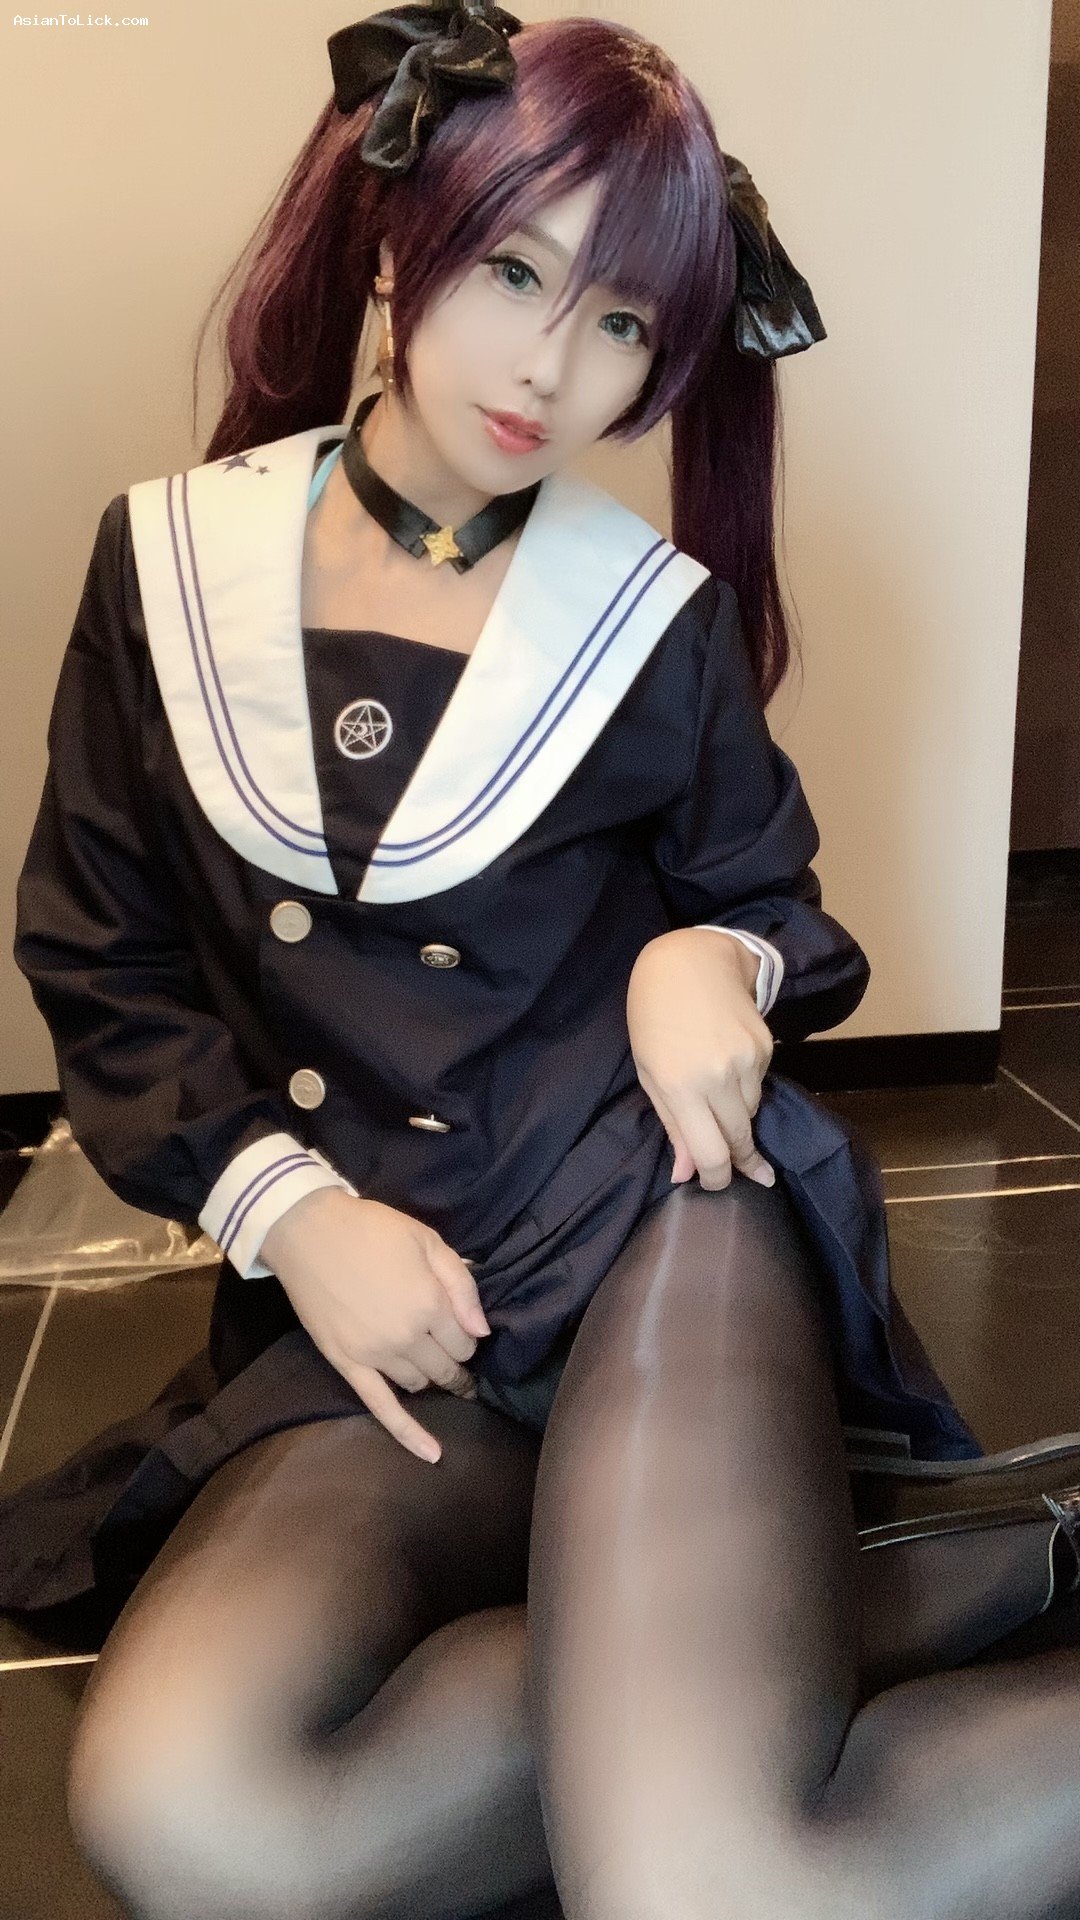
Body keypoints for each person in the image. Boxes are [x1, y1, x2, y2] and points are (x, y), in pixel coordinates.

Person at [4, 5, 1080, 1916]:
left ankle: (725, 1691)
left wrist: (710, 963)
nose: (552, 366)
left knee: (707, 1888)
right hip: (397, 1297)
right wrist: (294, 1220)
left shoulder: (646, 620)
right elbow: (107, 956)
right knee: (188, 1812)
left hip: (654, 1233)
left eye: (623, 324)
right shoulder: (166, 564)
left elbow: (767, 896)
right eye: (516, 269)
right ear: (403, 235)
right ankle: (863, 1602)